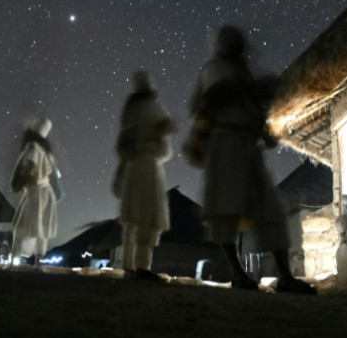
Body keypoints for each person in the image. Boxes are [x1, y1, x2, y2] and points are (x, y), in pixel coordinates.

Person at [186, 25, 315, 293]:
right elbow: (218, 95)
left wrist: (262, 127)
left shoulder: (240, 73)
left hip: (247, 146)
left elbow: (247, 103)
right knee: (226, 210)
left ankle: (285, 277)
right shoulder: (216, 70)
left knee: (270, 209)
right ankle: (239, 274)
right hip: (225, 145)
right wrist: (255, 89)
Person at [113, 70, 174, 281]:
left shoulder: (129, 110)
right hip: (148, 166)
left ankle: (129, 266)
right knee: (147, 217)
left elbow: (123, 144)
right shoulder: (155, 108)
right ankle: (142, 267)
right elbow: (164, 146)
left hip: (133, 167)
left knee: (133, 218)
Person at [10, 117, 58, 265]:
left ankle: (19, 261)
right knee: (38, 230)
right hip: (46, 194)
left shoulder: (32, 146)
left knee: (25, 227)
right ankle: (36, 262)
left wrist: (17, 183)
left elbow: (30, 166)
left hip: (36, 193)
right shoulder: (47, 152)